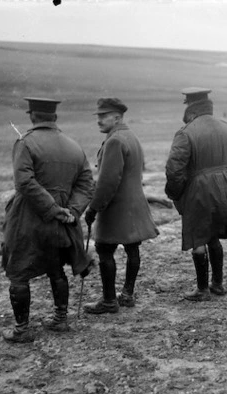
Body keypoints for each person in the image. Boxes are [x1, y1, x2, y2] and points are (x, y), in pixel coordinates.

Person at [1, 97, 94, 343]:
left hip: (27, 220)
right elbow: (87, 184)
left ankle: (22, 330)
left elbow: (24, 182)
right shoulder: (74, 146)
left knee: (19, 272)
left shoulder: (25, 142)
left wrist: (53, 209)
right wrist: (70, 211)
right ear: (54, 117)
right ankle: (60, 320)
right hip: (61, 222)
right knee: (56, 269)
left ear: (32, 116)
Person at [165, 87, 227, 301]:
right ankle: (218, 284)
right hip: (225, 189)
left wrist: (176, 193)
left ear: (191, 108)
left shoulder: (186, 132)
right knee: (213, 234)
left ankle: (202, 289)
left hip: (198, 192)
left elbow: (174, 170)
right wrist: (224, 177)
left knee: (198, 237)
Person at [84, 98, 159, 313]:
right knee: (132, 247)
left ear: (117, 117)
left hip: (117, 207)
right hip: (135, 203)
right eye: (97, 116)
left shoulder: (115, 140)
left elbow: (108, 182)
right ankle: (127, 295)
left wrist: (93, 208)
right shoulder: (131, 136)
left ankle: (109, 302)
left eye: (103, 116)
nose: (98, 120)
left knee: (104, 249)